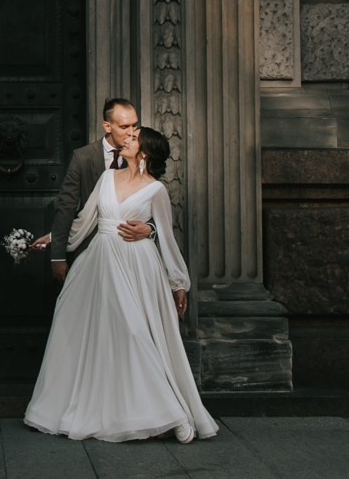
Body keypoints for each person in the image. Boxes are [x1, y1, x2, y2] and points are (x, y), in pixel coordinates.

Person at [24, 126, 218, 444]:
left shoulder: (156, 191)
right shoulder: (107, 179)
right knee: (94, 335)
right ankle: (101, 410)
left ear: (145, 153)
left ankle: (173, 414)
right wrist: (53, 240)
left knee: (135, 333)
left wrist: (178, 282)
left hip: (136, 266)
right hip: (99, 265)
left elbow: (166, 238)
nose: (126, 139)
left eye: (134, 138)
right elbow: (83, 221)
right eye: (127, 135)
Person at [46, 97, 153, 282]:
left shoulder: (143, 154)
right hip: (90, 250)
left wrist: (150, 229)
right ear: (107, 126)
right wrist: (58, 256)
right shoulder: (82, 158)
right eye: (124, 127)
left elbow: (154, 202)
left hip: (132, 252)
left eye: (134, 126)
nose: (131, 133)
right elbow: (66, 207)